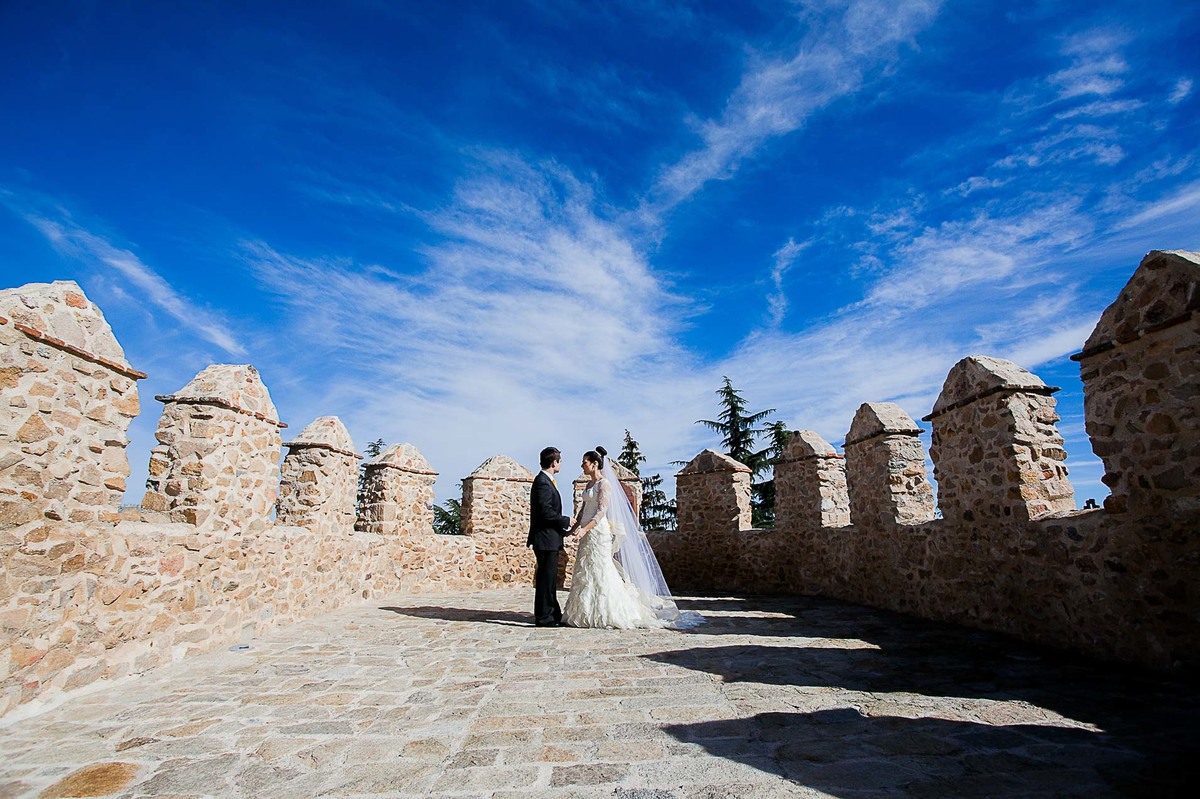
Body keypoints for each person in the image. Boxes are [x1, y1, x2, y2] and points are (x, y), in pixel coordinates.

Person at [563, 446, 692, 630]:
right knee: (585, 569)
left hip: (598, 532)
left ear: (595, 464)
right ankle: (585, 611)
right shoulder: (589, 485)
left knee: (601, 568)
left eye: (584, 462)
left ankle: (612, 611)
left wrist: (585, 530)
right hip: (586, 532)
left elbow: (601, 512)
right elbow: (584, 510)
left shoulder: (603, 484)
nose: (581, 465)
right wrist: (573, 528)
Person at [527, 446, 573, 627]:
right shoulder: (542, 483)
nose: (560, 464)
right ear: (554, 463)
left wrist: (563, 531)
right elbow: (546, 513)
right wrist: (566, 520)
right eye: (560, 461)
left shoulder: (547, 482)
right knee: (546, 580)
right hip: (545, 539)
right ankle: (544, 617)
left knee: (550, 579)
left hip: (550, 538)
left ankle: (553, 614)